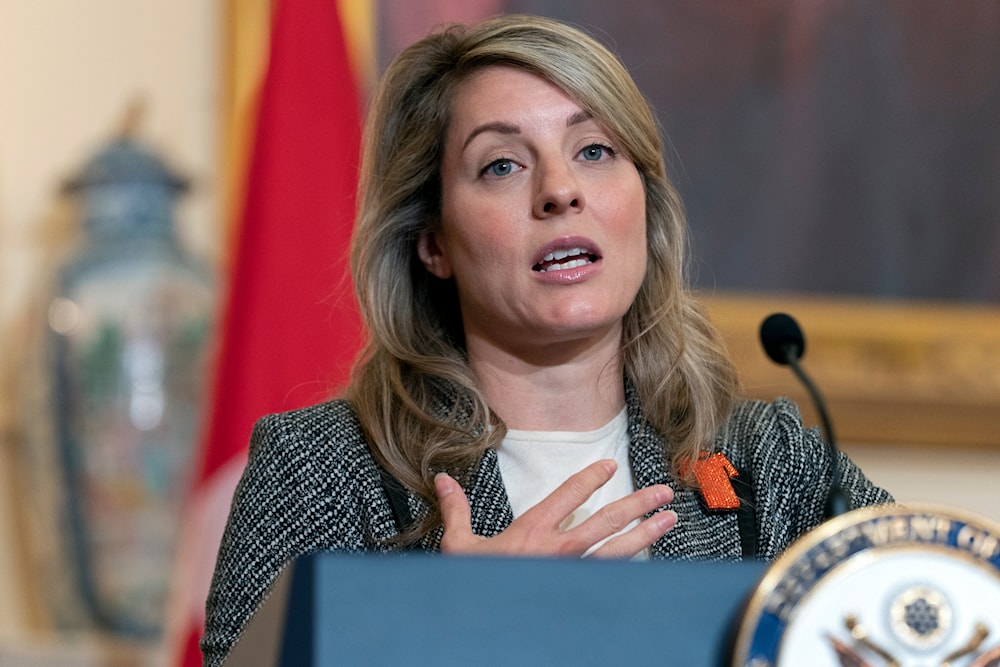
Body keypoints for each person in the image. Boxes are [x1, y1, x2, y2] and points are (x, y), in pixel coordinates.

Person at [201, 13, 891, 665]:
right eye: (503, 165)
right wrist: (447, 624)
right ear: (433, 242)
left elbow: (953, 609)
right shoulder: (324, 469)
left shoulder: (768, 464)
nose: (560, 190)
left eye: (594, 150)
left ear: (641, 203)